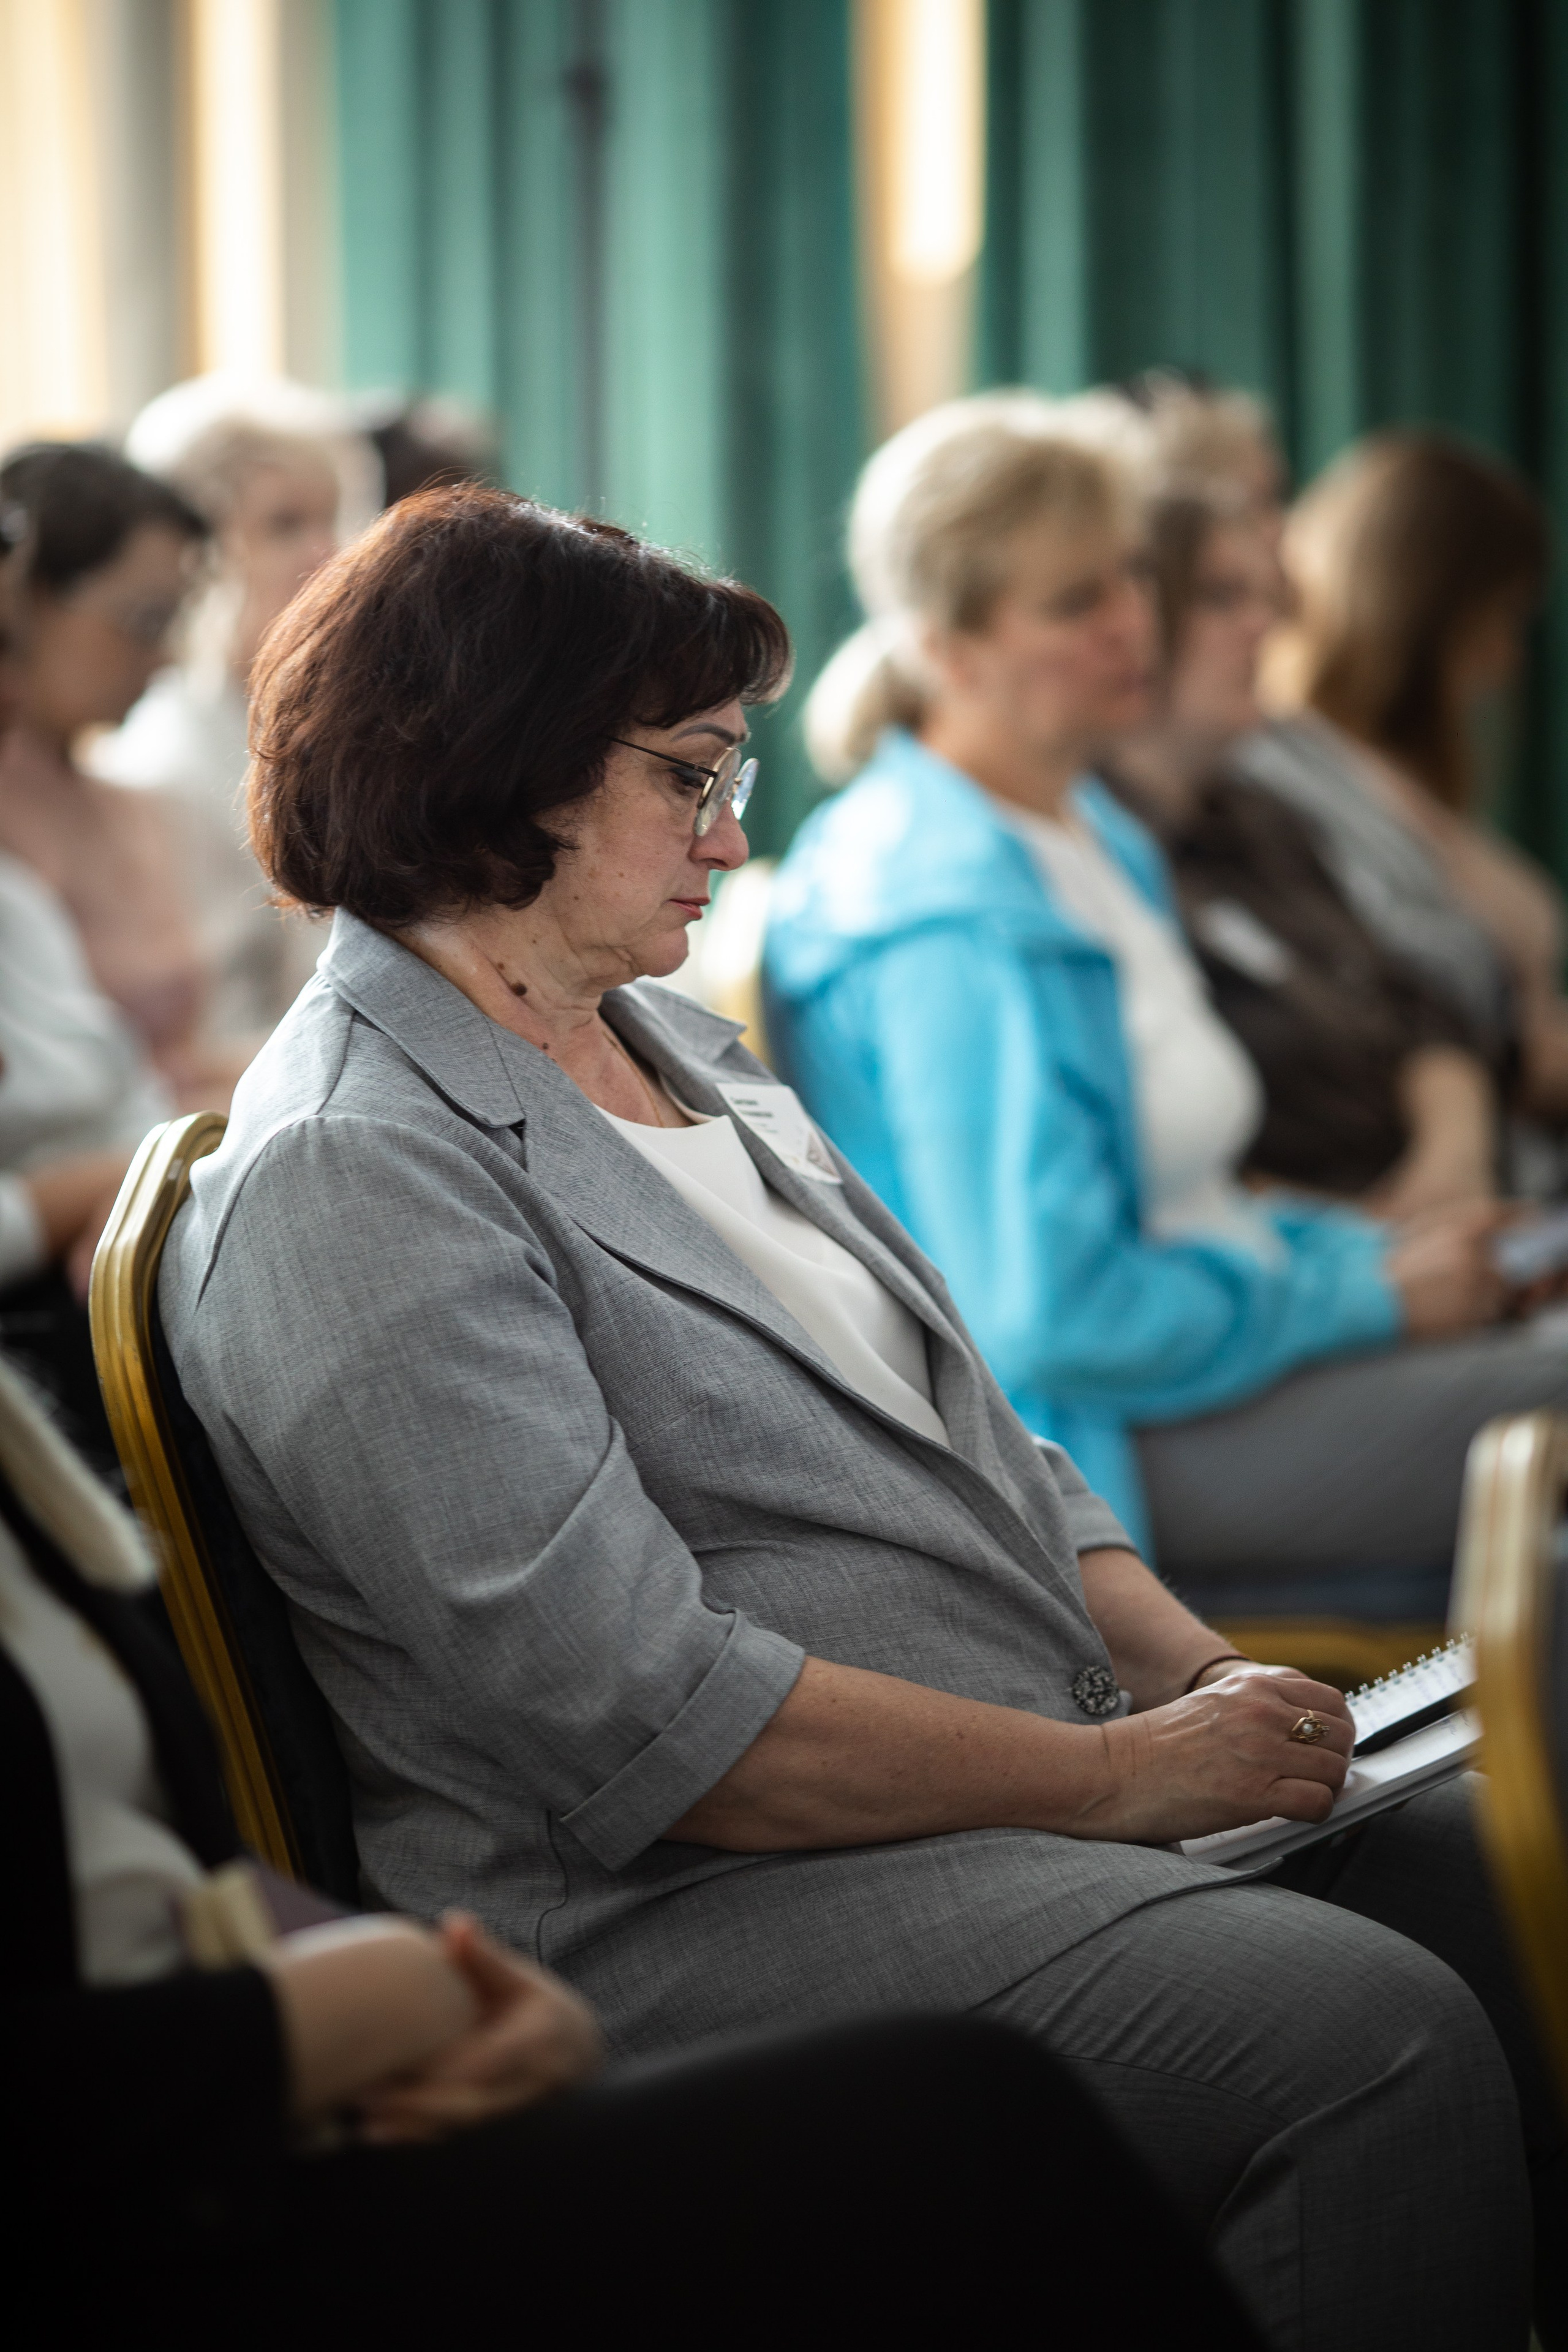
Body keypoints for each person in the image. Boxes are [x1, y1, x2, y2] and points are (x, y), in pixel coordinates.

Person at [159, 484, 1561, 2349]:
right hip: (677, 1901)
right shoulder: (353, 1165)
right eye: (687, 774)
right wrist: (1124, 1776)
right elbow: (641, 1717)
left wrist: (1208, 1678)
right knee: (1365, 2042)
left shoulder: (677, 1050)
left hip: (993, 1788)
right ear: (493, 768)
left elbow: (988, 1429)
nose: (735, 840)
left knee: (1487, 1869)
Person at [1, 1354, 1247, 2347]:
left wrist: (448, 1986)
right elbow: (631, 1706)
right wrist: (331, 2013)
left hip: (282, 2082)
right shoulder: (342, 1168)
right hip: (161, 2203)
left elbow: (134, 1849)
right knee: (1028, 2105)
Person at [766, 393, 1568, 1579]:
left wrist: (1383, 1262)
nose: (1129, 622)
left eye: (1131, 575)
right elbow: (1050, 1317)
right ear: (947, 646)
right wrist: (1370, 1301)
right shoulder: (934, 911)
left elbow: (1188, 1208)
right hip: (1083, 1461)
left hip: (1208, 1372)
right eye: (1072, 600)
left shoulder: (1086, 830)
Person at [1103, 470, 1502, 1215]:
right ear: (1136, 625)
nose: (1266, 625)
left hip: (1436, 1228)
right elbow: (1169, 1166)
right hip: (1308, 1275)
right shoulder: (1099, 854)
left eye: (1264, 597)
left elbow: (1419, 1003)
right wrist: (1372, 1243)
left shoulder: (1262, 814)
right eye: (1223, 598)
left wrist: (1452, 1162)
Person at [1238, 432, 1562, 1123]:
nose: (1502, 662)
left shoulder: (1394, 776)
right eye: (1494, 620)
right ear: (1421, 616)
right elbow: (1390, 1014)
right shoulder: (1278, 774)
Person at [88, 376, 371, 1049]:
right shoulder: (168, 756)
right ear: (195, 554)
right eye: (284, 525)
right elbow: (210, 1034)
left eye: (332, 521)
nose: (325, 556)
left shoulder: (313, 726)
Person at [0, 442, 230, 1106]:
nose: (162, 659)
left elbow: (176, 1067)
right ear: (33, 599)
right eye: (145, 622)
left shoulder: (134, 801)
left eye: (175, 624)